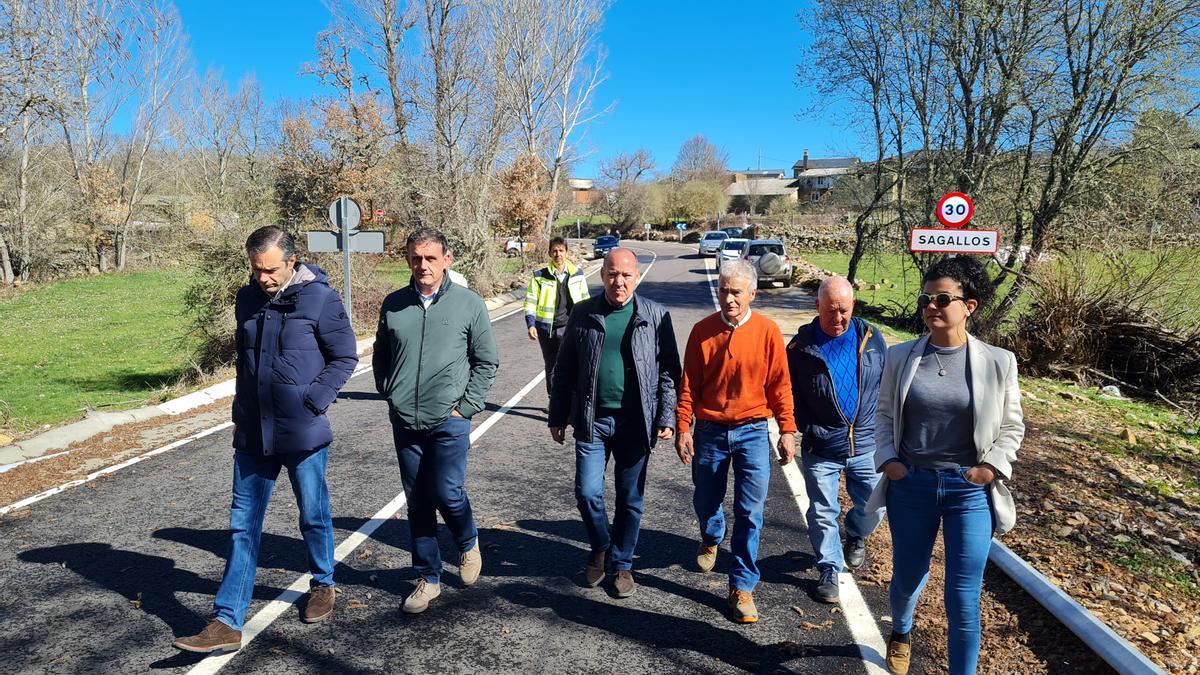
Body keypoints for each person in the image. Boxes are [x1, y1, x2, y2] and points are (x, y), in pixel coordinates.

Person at [174, 226, 358, 653]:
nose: (263, 279)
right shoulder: (247, 299)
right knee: (242, 526)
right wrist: (241, 414)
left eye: (271, 270)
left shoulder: (321, 299)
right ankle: (227, 621)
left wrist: (314, 400)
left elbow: (345, 355)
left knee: (313, 514)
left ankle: (323, 583)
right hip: (253, 432)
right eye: (256, 270)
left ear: (292, 261)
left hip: (303, 430)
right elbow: (246, 364)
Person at [864, 256, 1025, 675]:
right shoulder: (901, 358)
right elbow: (882, 417)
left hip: (969, 491)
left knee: (963, 595)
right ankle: (901, 630)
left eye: (942, 298)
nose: (931, 306)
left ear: (969, 306)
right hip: (911, 485)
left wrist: (989, 469)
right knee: (907, 579)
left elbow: (1011, 425)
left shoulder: (998, 362)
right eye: (926, 299)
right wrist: (890, 462)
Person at [373, 227, 499, 614]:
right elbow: (381, 356)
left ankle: (467, 540)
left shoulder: (469, 304)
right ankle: (428, 578)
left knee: (447, 492)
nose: (422, 265)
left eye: (430, 258)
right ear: (408, 260)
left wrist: (466, 407)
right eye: (415, 258)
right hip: (405, 420)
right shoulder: (393, 304)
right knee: (418, 501)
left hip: (450, 418)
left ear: (447, 259)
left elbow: (486, 361)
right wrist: (389, 392)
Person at [548, 247, 680, 598]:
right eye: (611, 274)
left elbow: (669, 371)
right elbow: (565, 371)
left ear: (635, 276)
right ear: (602, 275)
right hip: (593, 420)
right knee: (587, 492)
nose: (618, 281)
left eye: (625, 275)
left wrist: (667, 415)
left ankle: (621, 564)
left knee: (629, 498)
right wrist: (557, 415)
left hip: (636, 422)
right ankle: (601, 545)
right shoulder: (583, 313)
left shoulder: (655, 315)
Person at [675, 260, 796, 623]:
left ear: (752, 294)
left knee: (750, 512)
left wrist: (787, 430)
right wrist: (683, 427)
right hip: (710, 431)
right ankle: (711, 535)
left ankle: (742, 584)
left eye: (736, 292)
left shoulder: (769, 331)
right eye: (724, 290)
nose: (728, 298)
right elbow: (688, 386)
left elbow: (780, 385)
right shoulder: (702, 331)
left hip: (753, 430)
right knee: (706, 499)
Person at [786, 276, 887, 604]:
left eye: (844, 310)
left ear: (853, 306)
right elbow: (788, 394)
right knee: (821, 511)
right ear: (817, 307)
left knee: (875, 504)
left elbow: (887, 385)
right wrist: (802, 427)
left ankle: (855, 535)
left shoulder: (872, 339)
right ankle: (829, 568)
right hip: (822, 446)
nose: (838, 318)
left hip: (867, 443)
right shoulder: (800, 349)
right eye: (831, 311)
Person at [524, 237, 590, 398]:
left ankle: (570, 401)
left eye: (561, 250)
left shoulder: (577, 274)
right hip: (546, 329)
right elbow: (530, 301)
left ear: (566, 253)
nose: (558, 254)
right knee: (551, 366)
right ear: (549, 253)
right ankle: (554, 401)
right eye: (554, 251)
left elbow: (586, 299)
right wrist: (531, 324)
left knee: (571, 364)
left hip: (571, 327)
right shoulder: (539, 276)